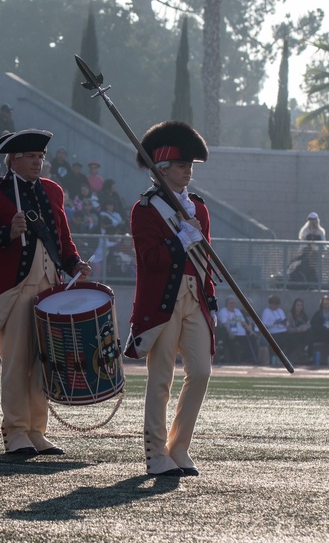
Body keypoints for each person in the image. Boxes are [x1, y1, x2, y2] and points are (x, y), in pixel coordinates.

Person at [0, 129, 91, 456]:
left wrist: (75, 263)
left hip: (49, 285)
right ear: (14, 159)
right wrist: (7, 232)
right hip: (15, 288)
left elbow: (62, 238)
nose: (39, 162)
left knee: (43, 363)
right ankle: (16, 432)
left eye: (41, 156)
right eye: (32, 156)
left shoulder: (52, 191)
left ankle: (37, 430)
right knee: (16, 364)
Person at [126, 121, 216, 476]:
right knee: (161, 377)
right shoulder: (145, 210)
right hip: (162, 302)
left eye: (190, 166)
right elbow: (150, 260)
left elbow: (205, 261)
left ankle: (178, 448)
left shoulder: (199, 209)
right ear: (162, 169)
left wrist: (210, 298)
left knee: (202, 372)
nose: (188, 172)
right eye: (182, 166)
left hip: (195, 299)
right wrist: (180, 239)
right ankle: (155, 454)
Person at [218, 297, 257, 364]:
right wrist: (230, 332)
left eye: (233, 303)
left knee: (253, 339)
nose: (232, 305)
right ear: (226, 304)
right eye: (230, 303)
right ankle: (234, 360)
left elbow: (243, 322)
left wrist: (251, 331)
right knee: (232, 341)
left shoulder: (237, 311)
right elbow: (225, 324)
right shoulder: (223, 311)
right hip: (230, 333)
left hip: (241, 333)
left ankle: (248, 359)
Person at [260, 295, 290, 364]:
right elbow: (264, 324)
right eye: (274, 304)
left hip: (282, 330)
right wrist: (274, 323)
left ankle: (282, 357)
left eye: (277, 304)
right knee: (280, 340)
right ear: (270, 304)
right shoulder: (266, 311)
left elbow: (285, 321)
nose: (276, 306)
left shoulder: (280, 311)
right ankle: (275, 357)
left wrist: (285, 323)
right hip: (272, 332)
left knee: (290, 340)